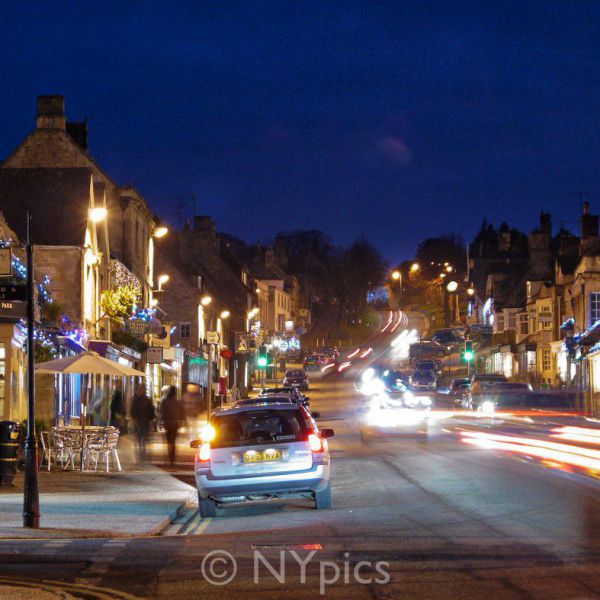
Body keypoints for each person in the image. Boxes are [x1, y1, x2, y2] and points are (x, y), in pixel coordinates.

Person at [131, 383, 155, 462]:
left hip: (139, 422)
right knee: (143, 438)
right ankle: (142, 454)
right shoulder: (147, 400)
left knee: (140, 439)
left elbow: (133, 411)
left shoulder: (136, 400)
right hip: (145, 422)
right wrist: (150, 419)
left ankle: (141, 454)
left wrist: (135, 418)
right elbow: (152, 412)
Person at [159, 386, 183, 465]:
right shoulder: (177, 402)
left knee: (169, 441)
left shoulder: (165, 401)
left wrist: (161, 422)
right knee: (173, 441)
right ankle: (172, 458)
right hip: (175, 424)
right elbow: (181, 413)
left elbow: (162, 412)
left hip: (167, 423)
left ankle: (169, 456)